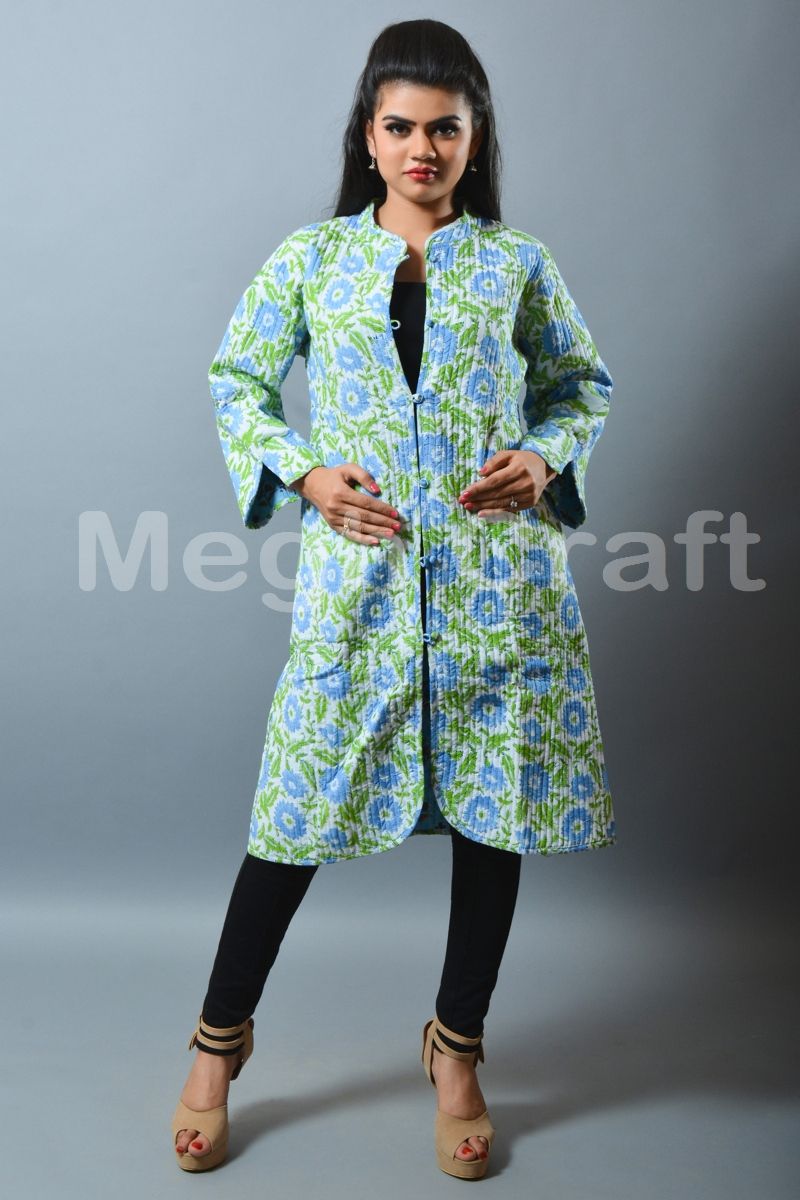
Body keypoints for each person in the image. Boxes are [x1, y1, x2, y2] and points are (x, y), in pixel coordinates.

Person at [171, 17, 616, 1182]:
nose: (422, 147)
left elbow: (580, 385)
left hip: (494, 589)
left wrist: (542, 457)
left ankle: (455, 1046)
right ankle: (218, 1042)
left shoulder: (516, 265)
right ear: (367, 138)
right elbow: (237, 380)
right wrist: (306, 474)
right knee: (292, 815)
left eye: (444, 129)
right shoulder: (311, 260)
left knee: (493, 817)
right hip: (358, 591)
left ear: (474, 138)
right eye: (400, 126)